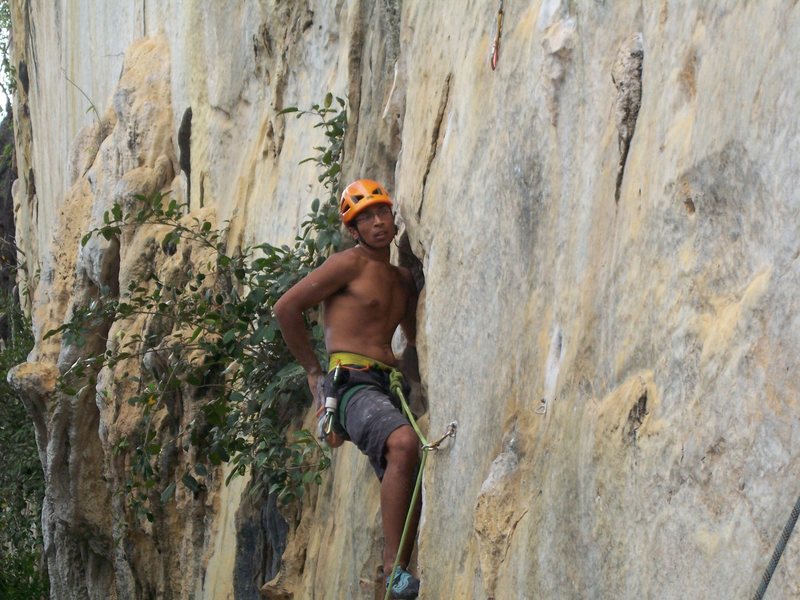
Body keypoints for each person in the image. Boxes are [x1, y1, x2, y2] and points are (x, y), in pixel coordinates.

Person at [273, 179, 421, 599]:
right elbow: (286, 308)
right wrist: (313, 372)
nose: (378, 222)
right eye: (366, 218)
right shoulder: (348, 265)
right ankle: (395, 570)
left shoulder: (404, 280)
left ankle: (394, 575)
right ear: (353, 230)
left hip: (386, 386)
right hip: (351, 383)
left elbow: (412, 337)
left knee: (409, 469)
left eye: (382, 212)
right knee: (404, 444)